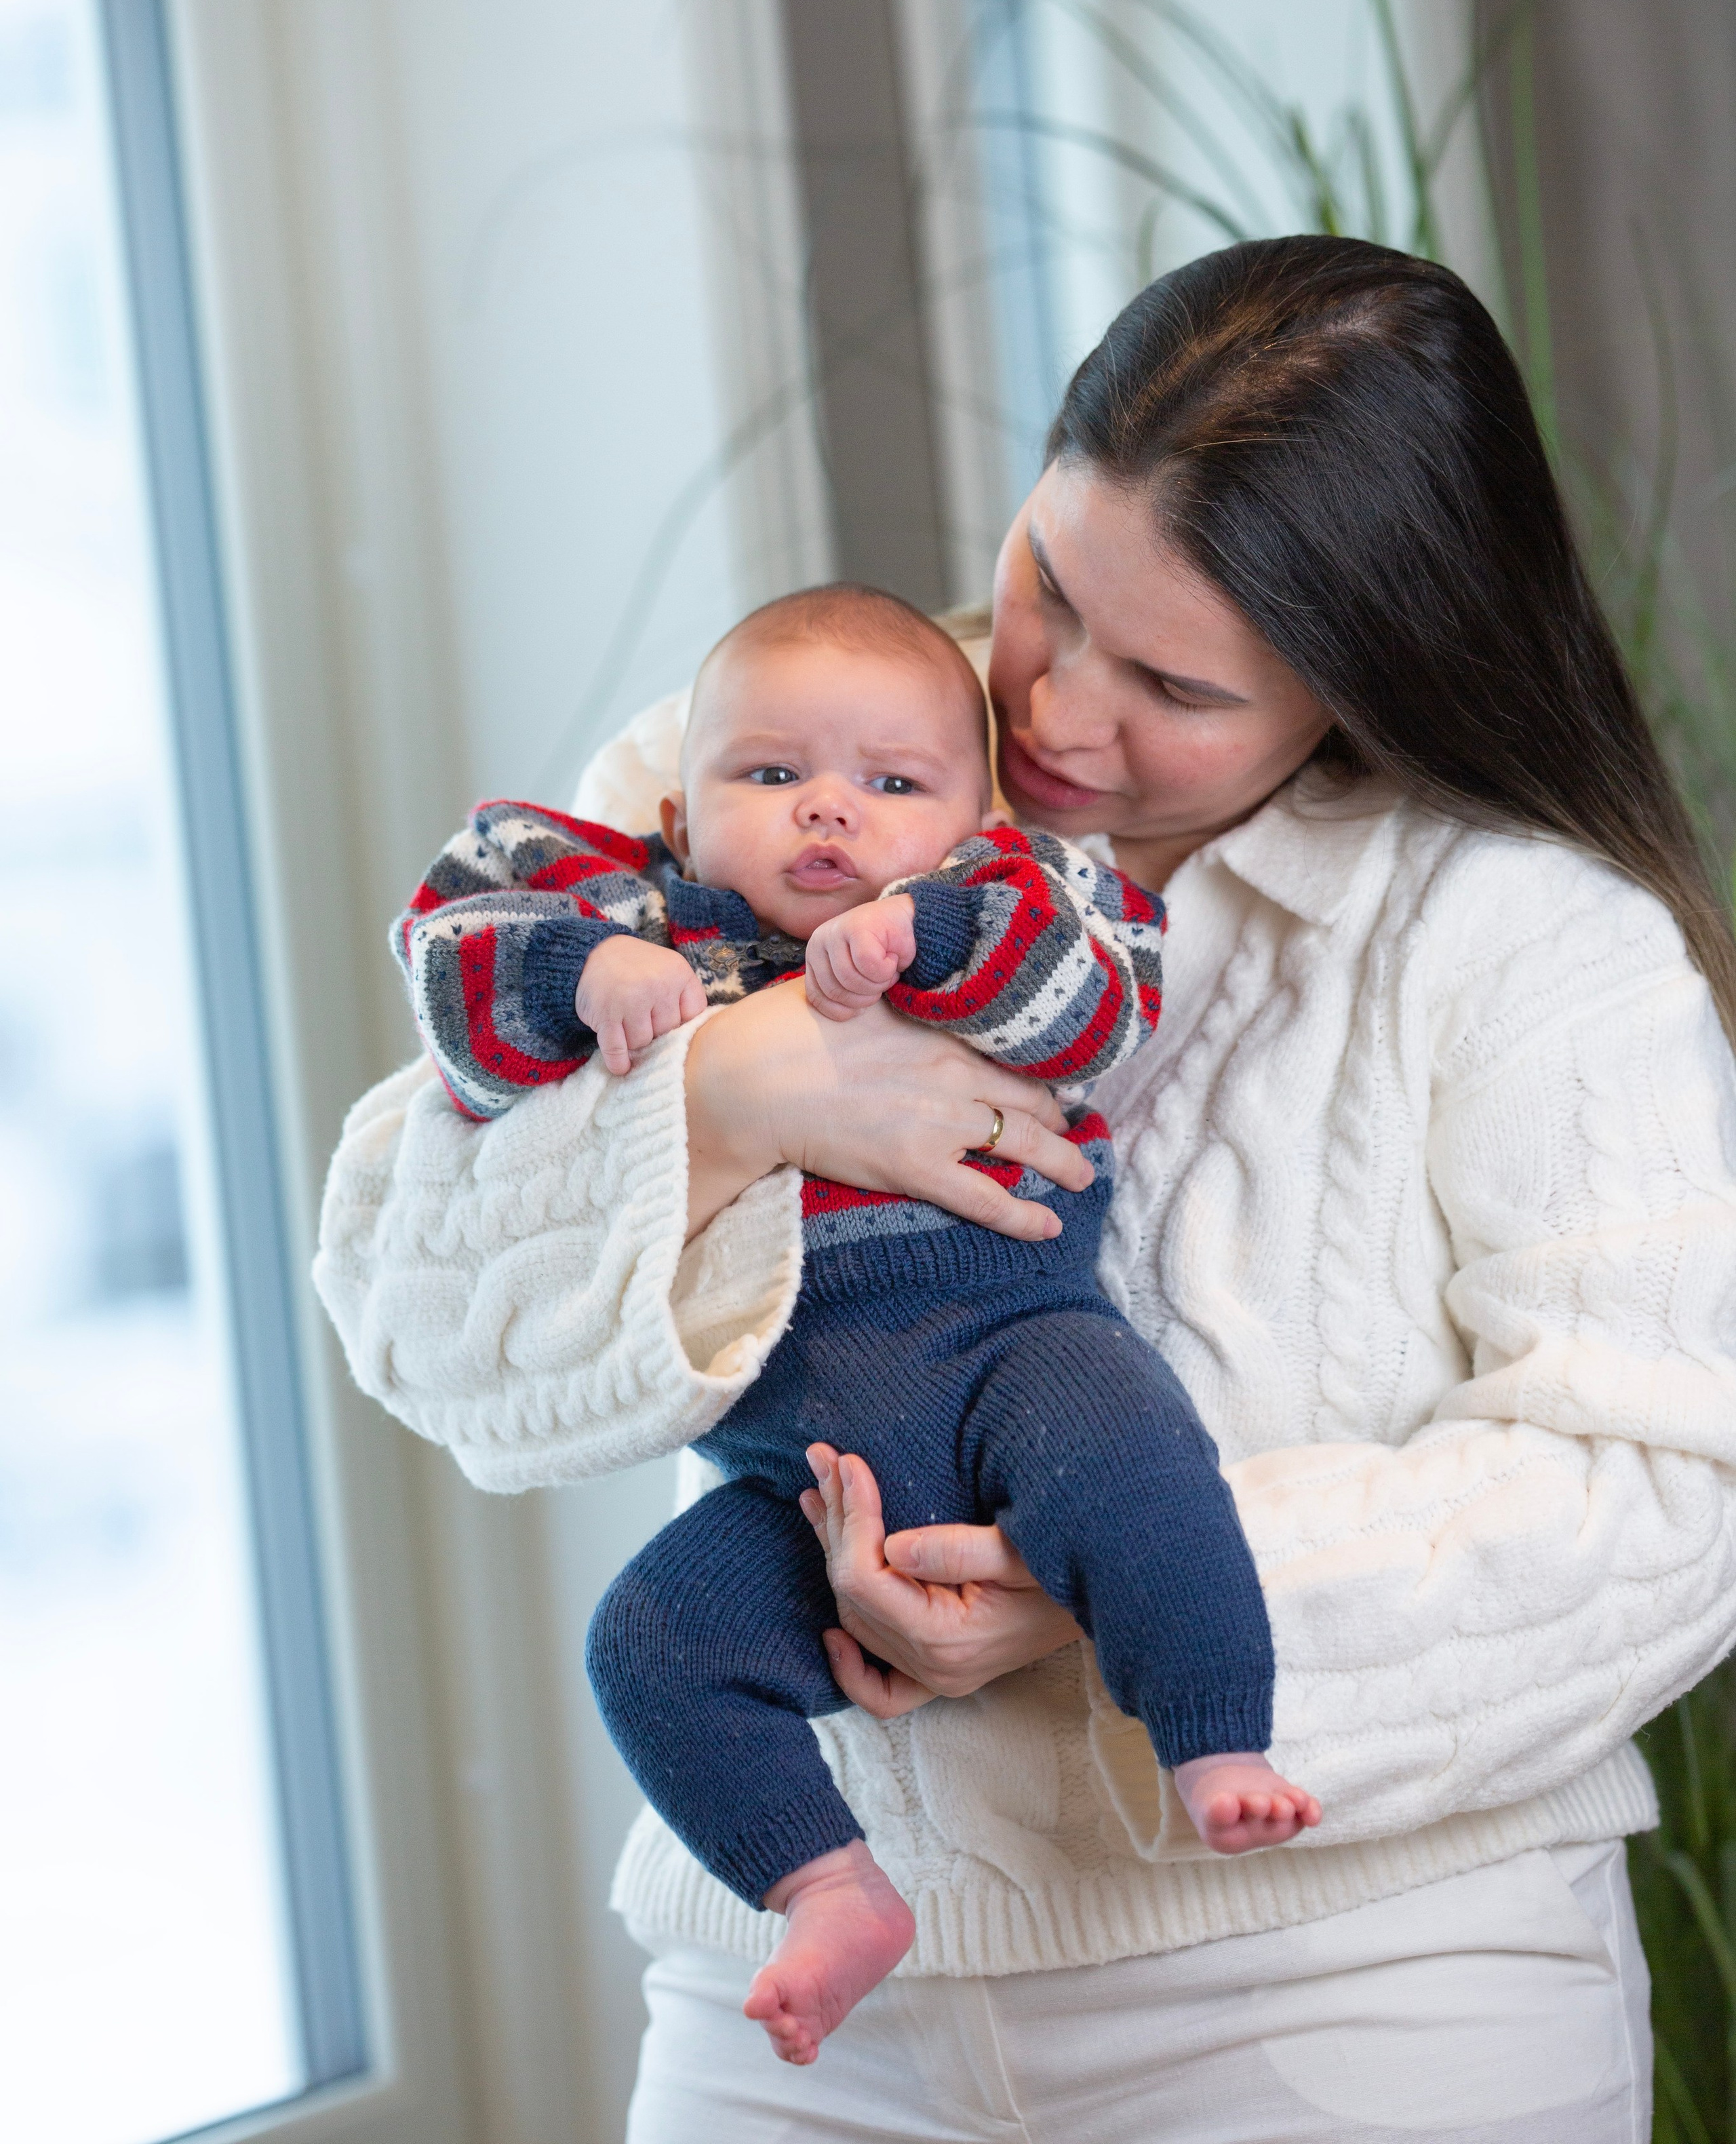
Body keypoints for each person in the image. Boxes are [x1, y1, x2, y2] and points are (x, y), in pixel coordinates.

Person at [315, 237, 1736, 2141]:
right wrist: (734, 1093)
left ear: (1355, 687)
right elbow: (411, 1321)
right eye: (1048, 585)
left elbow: (1666, 1495)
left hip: (1351, 1992)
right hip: (798, 1995)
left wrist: (1113, 1593)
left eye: (1175, 684)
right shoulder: (771, 755)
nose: (1056, 713)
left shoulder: (1521, 931)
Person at [389, 585, 1317, 2065]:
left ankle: (1214, 1738)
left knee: (1138, 1473)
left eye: (891, 786)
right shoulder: (637, 911)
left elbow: (1095, 1002)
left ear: (974, 815)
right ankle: (827, 1888)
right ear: (678, 819)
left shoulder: (1013, 886)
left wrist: (922, 929)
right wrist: (589, 977)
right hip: (794, 1469)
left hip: (1014, 1350)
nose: (828, 808)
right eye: (771, 775)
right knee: (647, 1643)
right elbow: (455, 964)